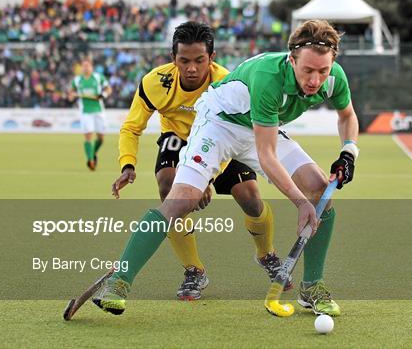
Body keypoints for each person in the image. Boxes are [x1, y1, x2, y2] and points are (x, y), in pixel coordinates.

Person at [93, 19, 359, 317]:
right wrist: (299, 202)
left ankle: (311, 287)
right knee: (182, 199)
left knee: (320, 188)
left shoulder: (334, 77)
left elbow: (347, 115)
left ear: (332, 62)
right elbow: (267, 156)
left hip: (260, 128)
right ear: (291, 59)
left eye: (322, 71)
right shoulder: (268, 77)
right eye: (307, 70)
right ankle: (119, 283)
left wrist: (348, 151)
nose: (315, 80)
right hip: (219, 124)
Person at [111, 21, 288, 300]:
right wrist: (128, 164)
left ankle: (267, 255)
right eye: (184, 61)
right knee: (169, 189)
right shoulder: (154, 83)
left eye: (199, 61)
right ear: (173, 59)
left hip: (225, 138)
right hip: (178, 137)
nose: (191, 68)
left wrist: (207, 176)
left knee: (251, 198)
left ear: (212, 58)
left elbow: (235, 135)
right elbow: (132, 127)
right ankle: (193, 270)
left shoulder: (227, 82)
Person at [69, 58, 111, 170]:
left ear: (91, 67)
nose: (86, 68)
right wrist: (71, 95)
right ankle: (90, 160)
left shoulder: (98, 78)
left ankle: (93, 153)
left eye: (87, 66)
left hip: (99, 110)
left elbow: (108, 89)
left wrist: (103, 95)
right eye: (84, 66)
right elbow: (71, 92)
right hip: (85, 112)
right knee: (88, 136)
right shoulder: (77, 80)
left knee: (101, 138)